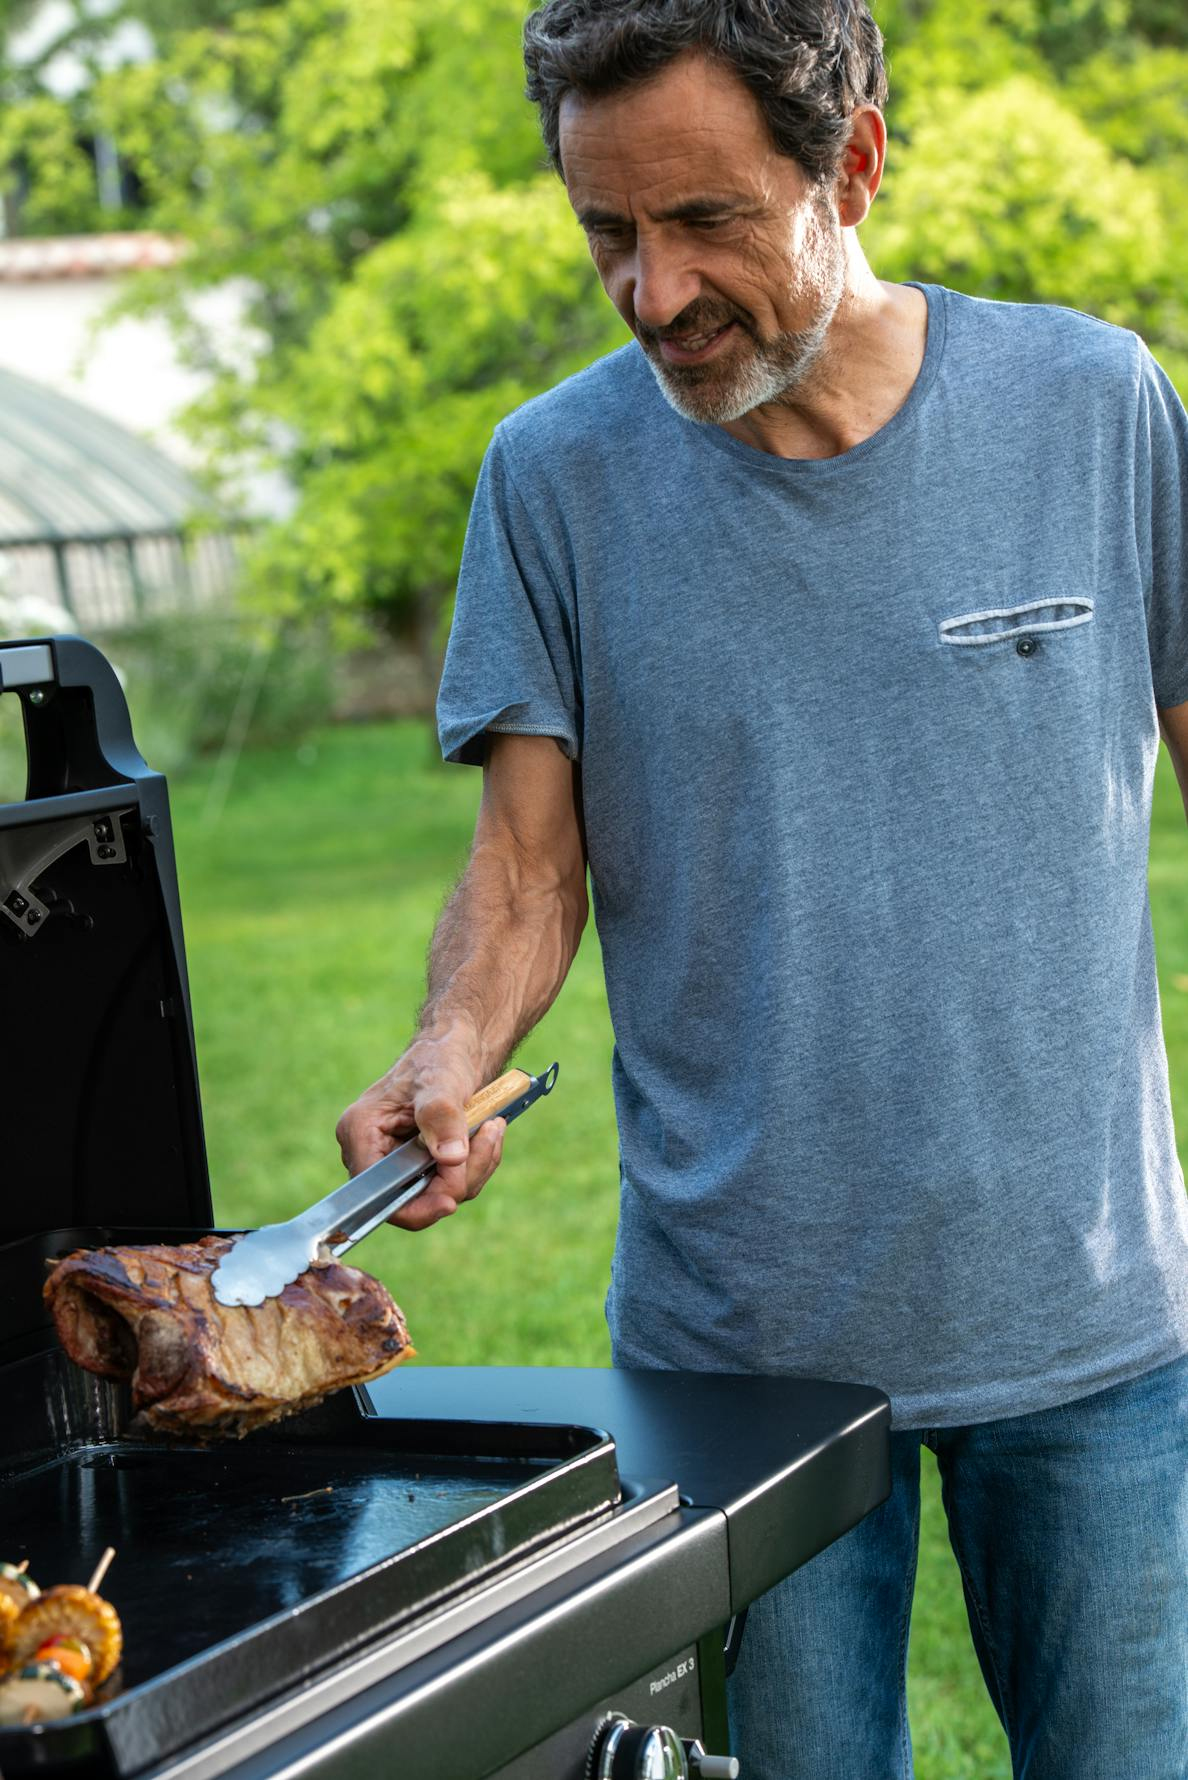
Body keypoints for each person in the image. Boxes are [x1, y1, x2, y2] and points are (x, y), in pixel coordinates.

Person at [336, 3, 1188, 1774]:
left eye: (705, 220)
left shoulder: (1094, 405)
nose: (652, 293)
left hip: (1096, 1322)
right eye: (606, 235)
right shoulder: (554, 478)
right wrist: (448, 1046)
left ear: (853, 162)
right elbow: (527, 862)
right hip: (741, 1361)